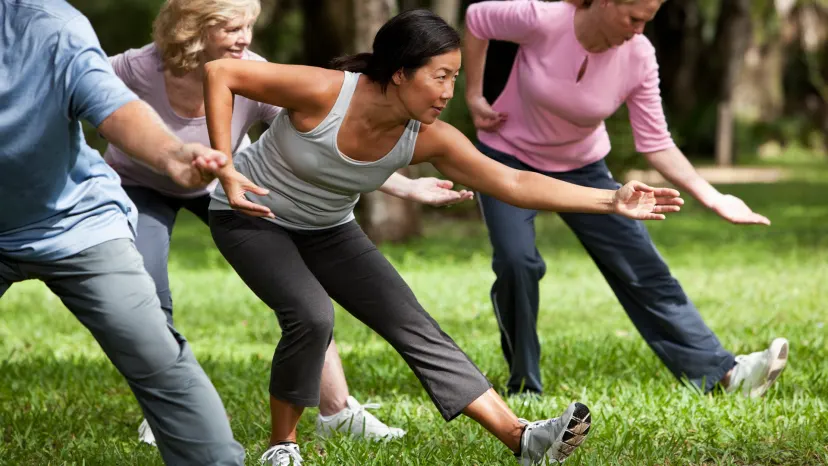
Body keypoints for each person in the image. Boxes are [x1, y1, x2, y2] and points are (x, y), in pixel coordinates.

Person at [202, 9, 684, 465]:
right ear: (399, 73)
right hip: (251, 215)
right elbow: (222, 73)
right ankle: (281, 446)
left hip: (328, 228)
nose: (449, 91)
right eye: (441, 75)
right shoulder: (327, 92)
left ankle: (521, 437)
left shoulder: (427, 137)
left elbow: (513, 182)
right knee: (310, 313)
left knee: (412, 323)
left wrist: (609, 199)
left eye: (455, 77)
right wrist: (225, 166)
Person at [105, 0, 466, 445]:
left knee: (305, 299)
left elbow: (322, 147)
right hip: (143, 184)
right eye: (230, 27)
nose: (244, 38)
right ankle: (165, 409)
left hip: (229, 180)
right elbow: (76, 95)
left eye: (249, 26)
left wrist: (403, 187)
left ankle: (335, 411)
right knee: (148, 290)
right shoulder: (136, 68)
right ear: (190, 27)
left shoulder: (253, 70)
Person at [462, 0, 788, 398]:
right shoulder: (543, 18)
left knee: (642, 265)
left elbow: (655, 142)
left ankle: (724, 373)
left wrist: (712, 195)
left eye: (647, 21)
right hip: (507, 158)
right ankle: (524, 385)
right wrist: (474, 93)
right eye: (633, 18)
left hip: (582, 166)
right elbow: (478, 18)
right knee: (517, 262)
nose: (638, 30)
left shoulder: (639, 56)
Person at [0, 0, 245, 464]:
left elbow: (114, 106)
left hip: (74, 224)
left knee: (156, 356)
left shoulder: (51, 27)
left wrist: (174, 155)